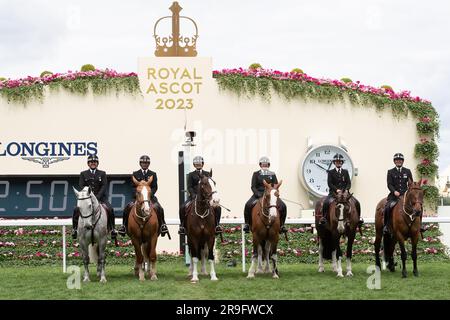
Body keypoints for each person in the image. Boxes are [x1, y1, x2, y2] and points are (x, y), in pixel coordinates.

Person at [117, 155, 169, 237]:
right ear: (140, 163)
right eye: (143, 163)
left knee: (159, 208)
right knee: (127, 207)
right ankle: (123, 226)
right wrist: (137, 194)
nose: (145, 164)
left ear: (149, 164)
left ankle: (163, 225)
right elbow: (132, 186)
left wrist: (149, 194)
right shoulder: (135, 174)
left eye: (146, 163)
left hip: (149, 197)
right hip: (138, 197)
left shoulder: (153, 174)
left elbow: (155, 186)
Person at [72, 155, 117, 239]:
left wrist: (97, 197)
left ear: (97, 163)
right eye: (91, 162)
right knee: (76, 209)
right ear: (88, 163)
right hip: (87, 198)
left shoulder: (102, 173)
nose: (93, 163)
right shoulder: (83, 174)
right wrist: (89, 196)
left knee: (110, 209)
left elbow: (104, 186)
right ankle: (74, 229)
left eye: (95, 162)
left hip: (100, 198)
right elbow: (81, 185)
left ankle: (112, 229)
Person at [178, 156, 223, 235]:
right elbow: (189, 187)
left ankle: (217, 225)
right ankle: (182, 226)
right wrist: (193, 195)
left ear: (202, 164)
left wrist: (210, 195)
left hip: (206, 197)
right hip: (194, 196)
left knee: (218, 207)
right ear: (194, 165)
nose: (198, 165)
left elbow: (211, 185)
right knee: (183, 207)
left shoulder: (207, 174)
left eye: (199, 163)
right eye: (196, 164)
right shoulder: (191, 175)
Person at [243, 156, 287, 234]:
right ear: (260, 165)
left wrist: (275, 193)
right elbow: (253, 186)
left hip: (270, 195)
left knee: (283, 206)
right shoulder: (256, 174)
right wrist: (258, 194)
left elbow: (275, 185)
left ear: (268, 165)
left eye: (266, 164)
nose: (264, 166)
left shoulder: (272, 174)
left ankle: (282, 225)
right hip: (258, 194)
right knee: (248, 205)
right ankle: (247, 224)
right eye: (263, 164)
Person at [383, 153, 424, 234]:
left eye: (400, 160)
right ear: (394, 161)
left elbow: (411, 184)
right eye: (397, 160)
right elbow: (389, 184)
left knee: (419, 207)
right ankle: (386, 226)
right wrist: (394, 191)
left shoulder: (407, 171)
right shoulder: (390, 172)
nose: (399, 161)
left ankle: (420, 225)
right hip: (394, 195)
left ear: (402, 161)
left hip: (406, 195)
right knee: (387, 207)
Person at [319, 153, 363, 227]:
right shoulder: (330, 172)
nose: (338, 163)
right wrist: (336, 190)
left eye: (339, 162)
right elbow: (330, 183)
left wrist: (346, 190)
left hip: (345, 193)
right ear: (334, 163)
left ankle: (358, 218)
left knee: (356, 202)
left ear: (342, 163)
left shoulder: (345, 172)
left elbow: (348, 183)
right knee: (326, 202)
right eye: (337, 162)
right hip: (334, 193)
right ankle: (324, 218)